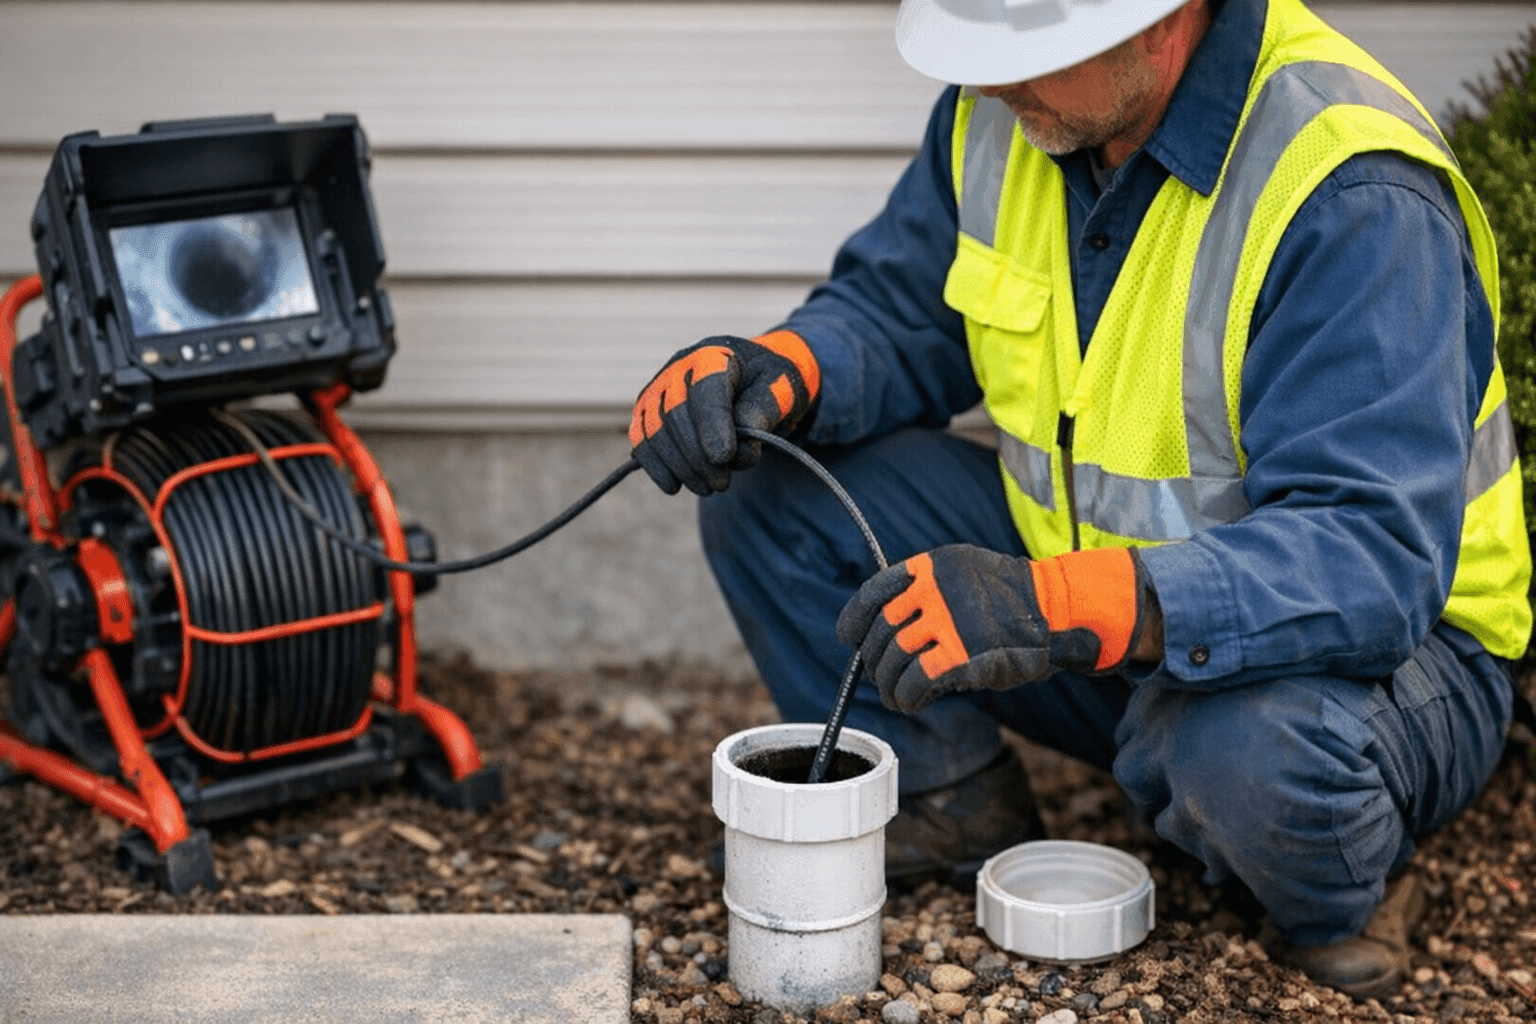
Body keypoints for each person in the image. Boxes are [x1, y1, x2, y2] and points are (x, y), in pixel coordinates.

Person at [626, 0, 1532, 1000]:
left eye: (1030, 52)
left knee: (1250, 752)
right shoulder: (1010, 111)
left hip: (1378, 665)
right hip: (1097, 613)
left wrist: (1057, 606)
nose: (986, 83)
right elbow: (899, 308)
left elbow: (1365, 560)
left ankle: (1345, 876)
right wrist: (783, 371)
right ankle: (947, 800)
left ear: (1167, 20)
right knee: (773, 493)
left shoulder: (1348, 190)